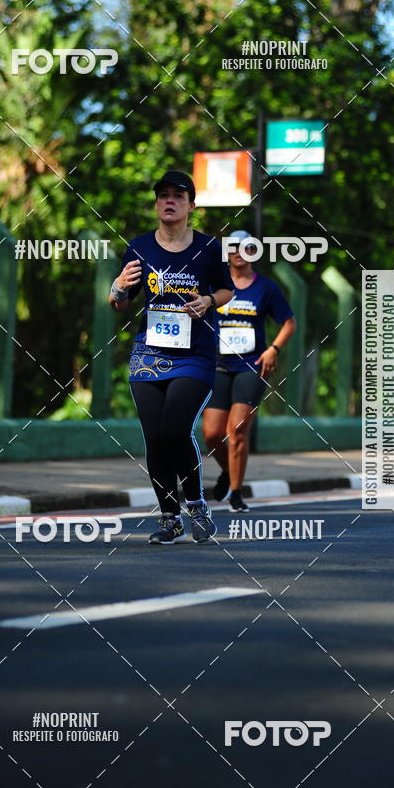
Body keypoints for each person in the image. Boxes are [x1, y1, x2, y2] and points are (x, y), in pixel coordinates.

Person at [109, 170, 234, 543]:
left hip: (195, 355)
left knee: (175, 430)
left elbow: (227, 290)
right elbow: (119, 303)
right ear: (156, 204)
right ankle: (169, 517)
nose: (169, 201)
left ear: (190, 205)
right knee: (155, 440)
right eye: (162, 195)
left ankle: (195, 503)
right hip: (148, 354)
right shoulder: (139, 247)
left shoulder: (209, 247)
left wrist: (209, 301)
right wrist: (116, 288)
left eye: (178, 196)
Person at [202, 231, 296, 512]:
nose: (239, 252)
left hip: (251, 365)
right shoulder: (215, 285)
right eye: (233, 247)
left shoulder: (265, 287)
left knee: (238, 431)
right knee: (211, 434)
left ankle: (236, 493)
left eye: (246, 247)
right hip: (216, 364)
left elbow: (289, 322)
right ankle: (227, 472)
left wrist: (274, 349)